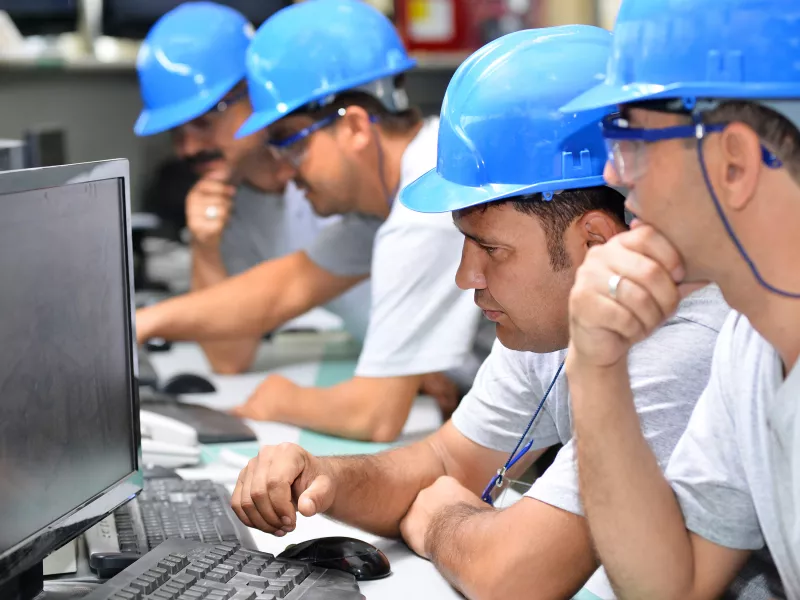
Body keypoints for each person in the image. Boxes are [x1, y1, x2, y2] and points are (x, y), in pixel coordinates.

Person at [228, 26, 744, 600]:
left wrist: (440, 517)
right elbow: (446, 457)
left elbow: (515, 574)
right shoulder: (556, 321)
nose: (465, 278)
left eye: (491, 250)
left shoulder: (682, 347)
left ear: (594, 244)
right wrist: (322, 475)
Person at [135, 0, 489, 441]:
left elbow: (373, 415)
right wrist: (141, 323)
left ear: (356, 128)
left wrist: (279, 399)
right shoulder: (385, 201)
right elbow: (280, 289)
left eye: (289, 142)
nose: (284, 166)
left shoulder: (427, 207)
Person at [560, 0, 800, 597]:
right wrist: (594, 366)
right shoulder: (752, 342)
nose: (615, 172)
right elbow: (673, 586)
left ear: (736, 163)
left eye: (631, 138)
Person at [134, 1, 370, 374]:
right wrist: (205, 246)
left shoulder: (337, 171)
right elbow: (228, 358)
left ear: (253, 90)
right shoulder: (234, 201)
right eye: (176, 134)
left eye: (203, 122)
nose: (189, 149)